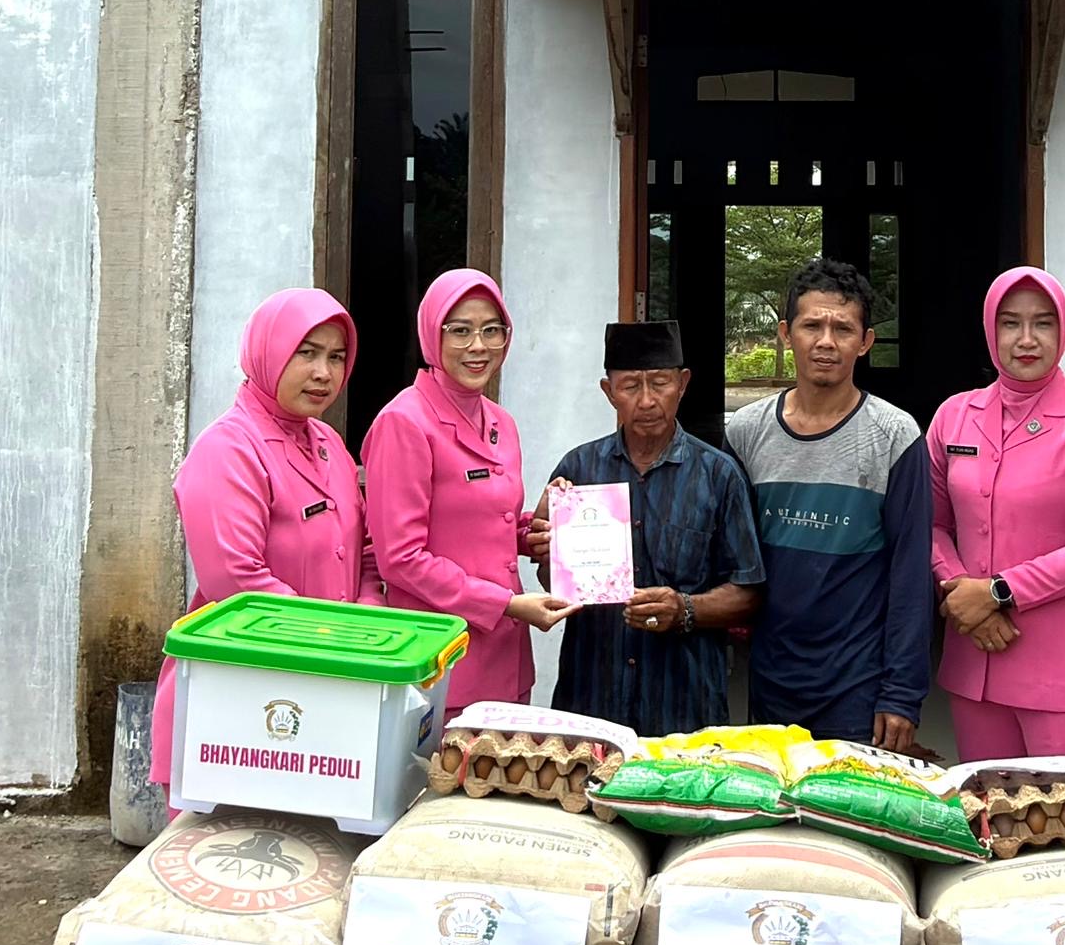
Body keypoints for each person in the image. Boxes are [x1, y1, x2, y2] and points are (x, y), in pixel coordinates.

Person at [720, 256, 934, 751]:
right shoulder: (747, 432)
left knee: (847, 823)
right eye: (811, 324)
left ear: (865, 342)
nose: (825, 341)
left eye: (843, 328)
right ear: (784, 333)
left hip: (857, 682)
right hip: (770, 676)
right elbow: (723, 551)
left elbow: (909, 576)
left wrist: (902, 694)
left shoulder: (895, 437)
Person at [160, 287, 378, 755]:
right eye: (307, 353)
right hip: (240, 708)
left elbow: (363, 549)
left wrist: (367, 612)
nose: (324, 373)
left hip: (327, 692)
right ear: (269, 352)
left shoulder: (327, 444)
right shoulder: (228, 450)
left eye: (337, 357)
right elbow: (237, 582)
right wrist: (336, 636)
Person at [925, 266, 1065, 761]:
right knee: (989, 823)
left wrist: (997, 593)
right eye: (1010, 323)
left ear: (1064, 331)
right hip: (978, 658)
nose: (1026, 339)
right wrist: (962, 599)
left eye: (1044, 323)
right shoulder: (954, 416)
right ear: (991, 330)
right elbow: (929, 522)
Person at [362, 268, 571, 720]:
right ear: (431, 335)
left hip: (508, 656)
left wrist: (530, 532)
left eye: (492, 330)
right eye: (460, 331)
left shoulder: (501, 423)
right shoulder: (405, 423)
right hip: (444, 658)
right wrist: (505, 604)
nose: (479, 346)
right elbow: (399, 557)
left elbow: (484, 523)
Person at [542, 320, 764, 737]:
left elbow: (749, 593)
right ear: (609, 392)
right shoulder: (578, 471)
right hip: (592, 699)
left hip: (685, 707)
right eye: (629, 386)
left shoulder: (719, 476)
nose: (646, 401)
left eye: (659, 383)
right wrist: (544, 548)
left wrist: (686, 609)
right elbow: (555, 584)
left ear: (682, 384)